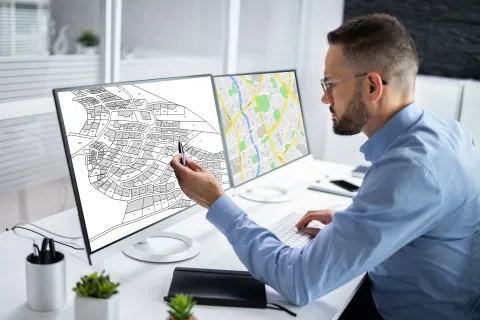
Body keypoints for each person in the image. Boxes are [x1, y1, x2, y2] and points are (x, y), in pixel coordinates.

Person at [170, 13, 480, 320]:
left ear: (373, 86)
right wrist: (350, 224)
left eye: (330, 84)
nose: (324, 98)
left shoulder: (411, 170)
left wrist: (216, 202)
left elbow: (298, 281)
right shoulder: (445, 132)